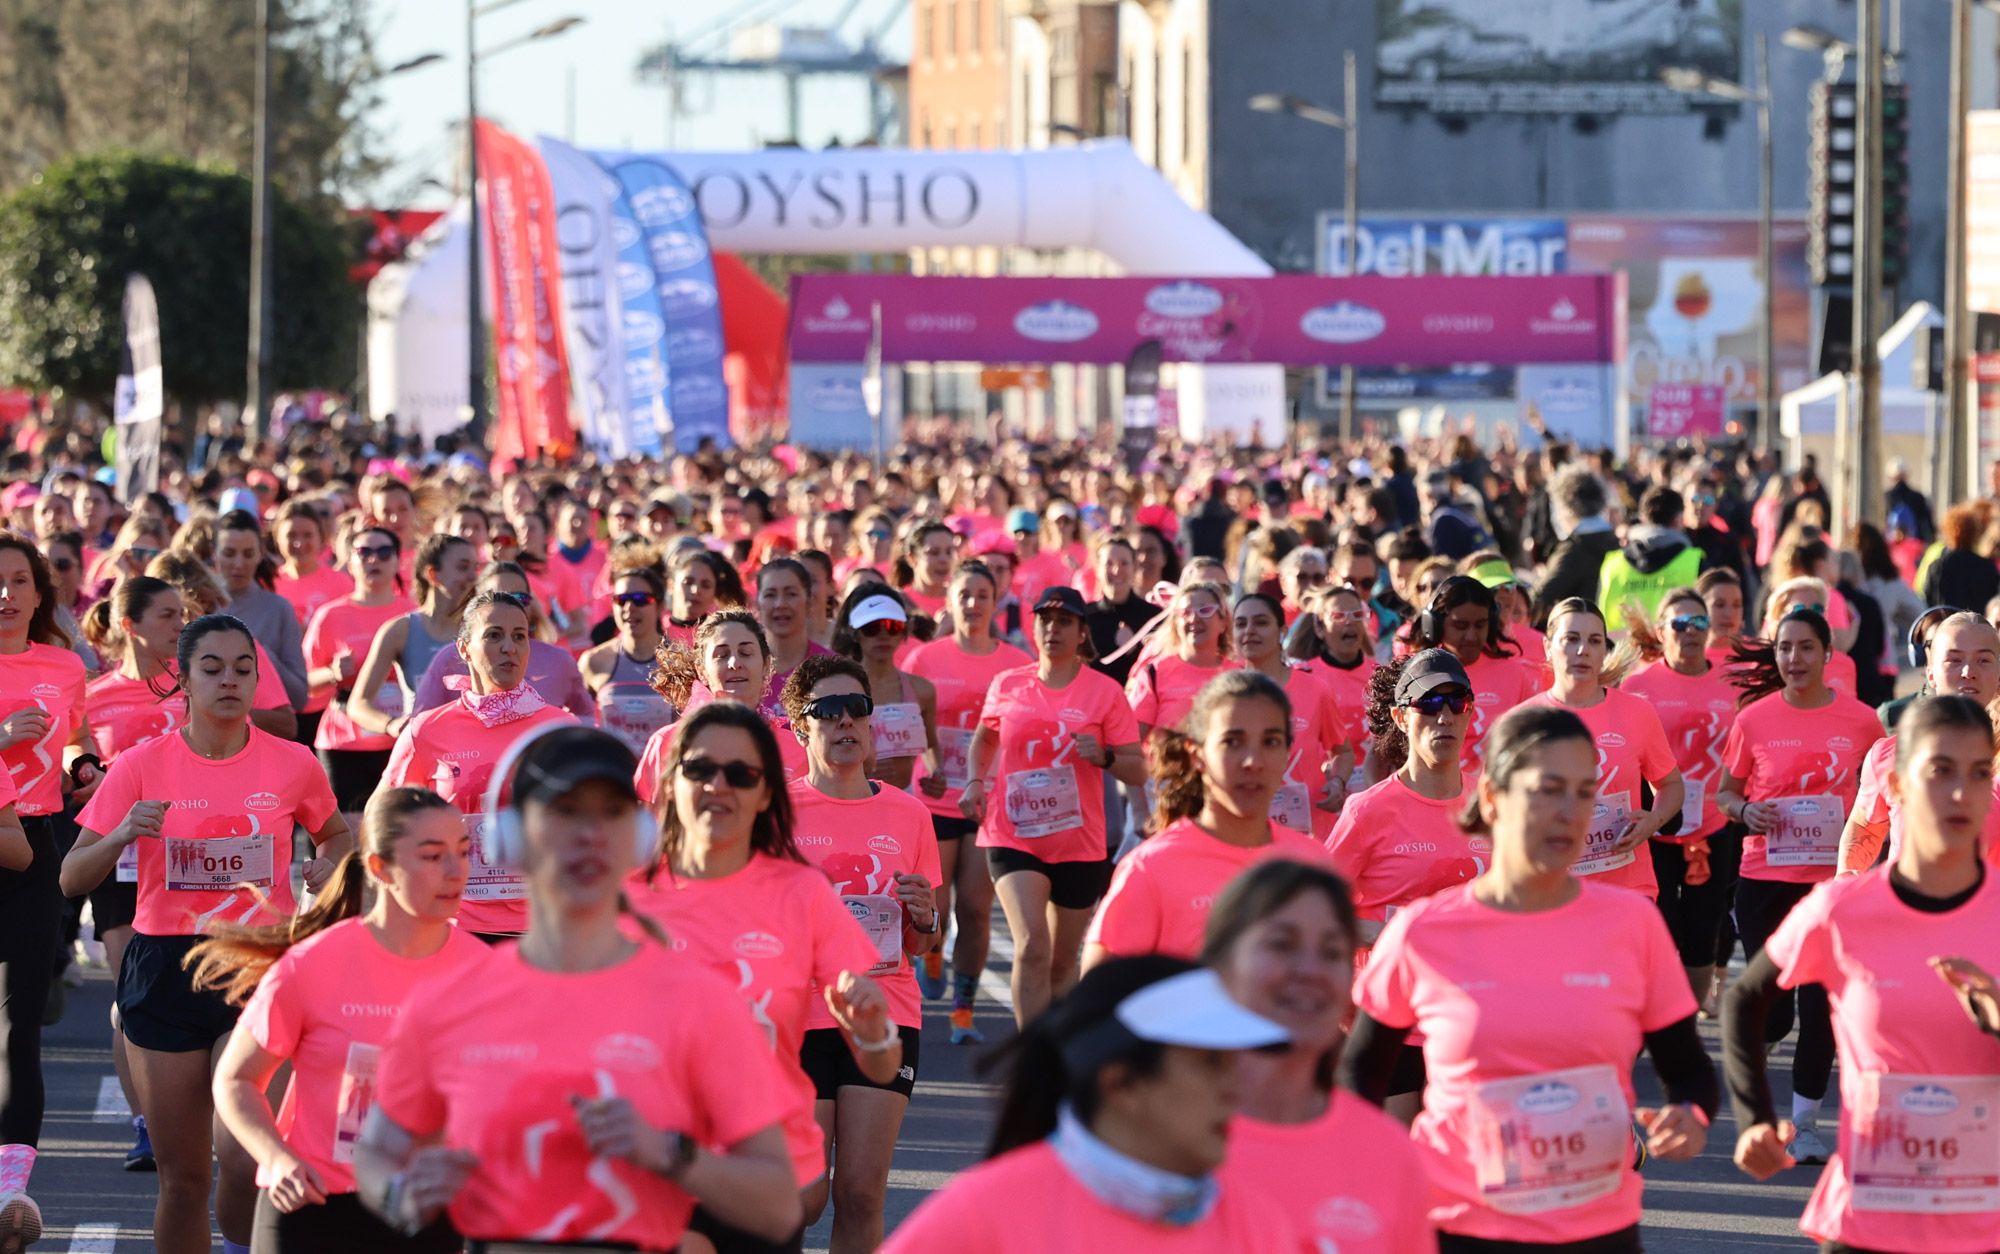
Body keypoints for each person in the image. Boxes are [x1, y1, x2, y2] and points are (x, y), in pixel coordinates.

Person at [352, 725, 801, 1250]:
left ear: (637, 838)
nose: (591, 833)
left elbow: (778, 1208)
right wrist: (398, 1196)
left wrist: (668, 1153)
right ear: (512, 837)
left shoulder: (700, 1002)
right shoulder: (447, 1002)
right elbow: (376, 1152)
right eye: (565, 810)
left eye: (611, 813)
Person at [1341, 705, 1718, 1251]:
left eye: (1584, 792)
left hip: (1596, 1228)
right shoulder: (1424, 933)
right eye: (1547, 790)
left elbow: (1688, 1069)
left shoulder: (1630, 926)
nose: (1568, 812)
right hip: (1461, 1226)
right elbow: (1360, 1075)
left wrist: (1688, 1114)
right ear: (1492, 797)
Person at [63, 614, 349, 1254]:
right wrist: (119, 835)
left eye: (243, 669)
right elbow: (70, 877)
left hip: (256, 966)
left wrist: (325, 867)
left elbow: (335, 834)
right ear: (183, 680)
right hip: (165, 966)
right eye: (212, 668)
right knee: (185, 1179)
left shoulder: (293, 763)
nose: (230, 681)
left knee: (246, 1161)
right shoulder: (141, 764)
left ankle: (245, 1244)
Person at [1726, 695, 2000, 1253]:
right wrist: (1755, 1118)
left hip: (1982, 1223)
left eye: (1978, 773)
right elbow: (1743, 1001)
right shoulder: (1841, 909)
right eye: (1939, 771)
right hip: (1865, 1220)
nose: (1960, 793)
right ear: (1896, 787)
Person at [627, 701, 899, 1251]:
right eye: (700, 769)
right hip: (653, 1164)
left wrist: (873, 1032)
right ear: (671, 779)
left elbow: (880, 1061)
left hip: (764, 1169)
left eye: (741, 773)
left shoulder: (801, 893)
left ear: (767, 792)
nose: (718, 786)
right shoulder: (626, 897)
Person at [195, 787, 482, 1253]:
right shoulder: (314, 963)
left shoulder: (484, 974)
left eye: (463, 853)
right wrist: (276, 1158)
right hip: (312, 1204)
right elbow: (236, 1079)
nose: (455, 871)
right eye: (432, 856)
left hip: (423, 1210)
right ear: (379, 868)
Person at [881, 955, 1302, 1251]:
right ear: (1121, 1084)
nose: (1236, 1090)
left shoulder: (1257, 1220)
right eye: (1210, 1063)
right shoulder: (984, 1214)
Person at [780, 656, 942, 1254]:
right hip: (803, 1017)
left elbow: (925, 942)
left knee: (860, 1195)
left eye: (857, 709)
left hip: (886, 1011)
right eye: (827, 710)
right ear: (801, 727)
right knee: (802, 1198)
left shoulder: (908, 812)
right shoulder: (777, 813)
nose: (845, 721)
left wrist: (923, 916)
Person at [1714, 608, 1885, 1165]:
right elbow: (1724, 793)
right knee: (1778, 1005)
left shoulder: (1862, 722)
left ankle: (1805, 1125)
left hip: (1831, 885)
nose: (1793, 659)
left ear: (1827, 654)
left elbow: (1881, 798)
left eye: (1805, 648)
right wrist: (1746, 811)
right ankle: (1760, 1051)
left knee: (1819, 1010)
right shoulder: (1753, 719)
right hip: (1764, 877)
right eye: (1784, 649)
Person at [1204, 860, 1436, 1253]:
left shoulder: (1389, 1151)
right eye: (1282, 945)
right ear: (1224, 964)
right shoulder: (1165, 1139)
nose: (1310, 970)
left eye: (1331, 951)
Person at [962, 587, 1146, 1026]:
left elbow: (1138, 769)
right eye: (1045, 620)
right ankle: (1032, 1061)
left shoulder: (1104, 692)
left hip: (1078, 843)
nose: (1052, 629)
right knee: (1031, 945)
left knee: (1064, 963)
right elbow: (986, 737)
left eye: (1064, 622)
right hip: (1013, 834)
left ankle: (1058, 1052)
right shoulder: (1009, 683)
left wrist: (1103, 756)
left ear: (1082, 632)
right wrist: (974, 783)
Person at [1084, 669, 1330, 967]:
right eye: (1232, 742)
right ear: (1197, 755)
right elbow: (1097, 1002)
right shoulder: (1151, 869)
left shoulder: (1313, 864)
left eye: (1271, 741)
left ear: (1287, 753)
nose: (1252, 761)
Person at [377, 590, 578, 942]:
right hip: (455, 925)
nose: (509, 647)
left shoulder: (562, 728)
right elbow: (383, 813)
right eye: (493, 635)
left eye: (520, 636)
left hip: (544, 925)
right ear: (464, 648)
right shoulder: (428, 729)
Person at [0, 533, 99, 1244]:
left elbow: (73, 735)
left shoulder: (64, 665)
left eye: (17, 581)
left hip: (32, 845)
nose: (5, 594)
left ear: (39, 593)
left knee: (20, 1027)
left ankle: (10, 1195)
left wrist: (82, 761)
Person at [906, 561, 1032, 1044]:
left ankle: (963, 1010)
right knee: (936, 901)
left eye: (983, 595)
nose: (974, 604)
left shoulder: (1011, 663)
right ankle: (932, 954)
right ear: (950, 601)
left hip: (986, 802)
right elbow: (908, 724)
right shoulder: (925, 659)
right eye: (965, 595)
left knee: (977, 909)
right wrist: (929, 764)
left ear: (996, 600)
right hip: (935, 797)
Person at [1621, 589, 1745, 1003]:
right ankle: (1657, 1013)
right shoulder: (1638, 685)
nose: (1691, 632)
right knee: (1660, 927)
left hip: (1713, 826)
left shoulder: (1730, 681)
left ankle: (1686, 1018)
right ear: (1661, 631)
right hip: (1653, 825)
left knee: (1703, 931)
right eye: (1680, 624)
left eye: (1699, 624)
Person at [1523, 599, 1683, 899]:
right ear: (1548, 646)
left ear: (1603, 650)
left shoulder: (1637, 712)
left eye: (1594, 641)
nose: (1583, 650)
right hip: (1554, 894)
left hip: (1629, 890)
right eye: (1571, 639)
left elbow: (1671, 784)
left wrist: (1654, 820)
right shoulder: (1522, 722)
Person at [1839, 611, 2000, 874]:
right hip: (1904, 912)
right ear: (1931, 674)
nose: (1969, 671)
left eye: (1983, 660)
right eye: (1954, 660)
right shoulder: (1889, 754)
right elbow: (1865, 824)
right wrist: (1845, 876)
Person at [302, 526, 415, 827]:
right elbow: (303, 685)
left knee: (395, 834)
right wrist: (331, 673)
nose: (373, 560)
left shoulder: (413, 613)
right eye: (363, 552)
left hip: (399, 737)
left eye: (383, 552)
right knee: (347, 839)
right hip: (344, 741)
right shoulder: (331, 615)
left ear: (397, 561)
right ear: (349, 560)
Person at [1230, 594, 1353, 837]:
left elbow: (1343, 751)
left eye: (1261, 622)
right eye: (1241, 624)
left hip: (1309, 832)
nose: (1250, 631)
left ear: (1282, 632)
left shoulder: (1315, 689)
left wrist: (1337, 782)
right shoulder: (1222, 694)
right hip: (1247, 830)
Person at [144, 552, 300, 741]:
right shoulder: (139, 659)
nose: (182, 623)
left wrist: (228, 709)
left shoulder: (237, 645)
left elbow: (286, 725)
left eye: (202, 610)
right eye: (168, 614)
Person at [409, 561, 593, 719]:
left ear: (531, 605)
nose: (508, 606)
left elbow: (587, 719)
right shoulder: (450, 658)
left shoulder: (559, 661)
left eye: (519, 598)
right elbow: (421, 722)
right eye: (495, 597)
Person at [346, 534, 479, 741]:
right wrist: (391, 724)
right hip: (421, 751)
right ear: (433, 574)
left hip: (474, 749)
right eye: (463, 568)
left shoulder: (481, 629)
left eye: (475, 568)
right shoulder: (400, 630)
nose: (473, 577)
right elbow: (358, 704)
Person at [1409, 574, 1538, 767]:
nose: (1471, 636)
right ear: (1435, 624)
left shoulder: (1515, 674)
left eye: (1480, 625)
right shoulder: (1414, 674)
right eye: (1460, 625)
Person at [831, 586, 937, 791]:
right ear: (855, 633)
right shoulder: (835, 689)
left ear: (904, 631)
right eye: (871, 627)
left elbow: (931, 748)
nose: (882, 635)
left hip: (904, 800)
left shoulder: (922, 690)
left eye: (892, 626)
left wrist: (935, 774)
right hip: (849, 796)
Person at [210, 509, 309, 712]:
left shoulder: (279, 609)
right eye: (229, 553)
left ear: (260, 554)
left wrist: (261, 655)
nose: (239, 564)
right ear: (214, 554)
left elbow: (299, 697)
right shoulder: (199, 604)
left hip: (263, 732)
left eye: (248, 554)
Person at [1125, 581, 1239, 751]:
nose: (1194, 618)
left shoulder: (1240, 675)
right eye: (1185, 613)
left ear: (1223, 622)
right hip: (1167, 775)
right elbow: (1129, 744)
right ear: (1175, 623)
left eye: (1205, 611)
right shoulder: (1154, 673)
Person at [579, 561, 676, 753]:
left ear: (660, 606)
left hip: (661, 776)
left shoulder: (678, 661)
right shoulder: (593, 661)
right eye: (621, 600)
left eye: (641, 599)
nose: (630, 607)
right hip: (613, 775)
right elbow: (580, 725)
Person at [1595, 486, 1703, 631]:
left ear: (1642, 518)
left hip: (1623, 651)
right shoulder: (1694, 561)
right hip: (1674, 650)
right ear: (1679, 520)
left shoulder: (1613, 563)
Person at [1531, 467, 1619, 625]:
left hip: (1580, 633)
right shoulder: (1615, 542)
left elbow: (1540, 598)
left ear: (1565, 507)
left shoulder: (1573, 550)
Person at [1083, 536, 1154, 689]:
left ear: (1135, 567)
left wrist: (1134, 649)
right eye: (1109, 563)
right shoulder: (1083, 617)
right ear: (1097, 569)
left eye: (1124, 563)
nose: (1116, 570)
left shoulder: (1153, 617)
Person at [271, 500, 351, 630]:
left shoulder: (340, 583)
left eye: (307, 535)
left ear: (320, 538)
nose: (299, 543)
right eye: (291, 535)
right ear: (277, 538)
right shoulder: (268, 584)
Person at [1921, 502, 2000, 614]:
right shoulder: (1986, 566)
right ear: (1975, 532)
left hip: (1946, 626)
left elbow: (1928, 599)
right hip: (1978, 627)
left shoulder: (1938, 565)